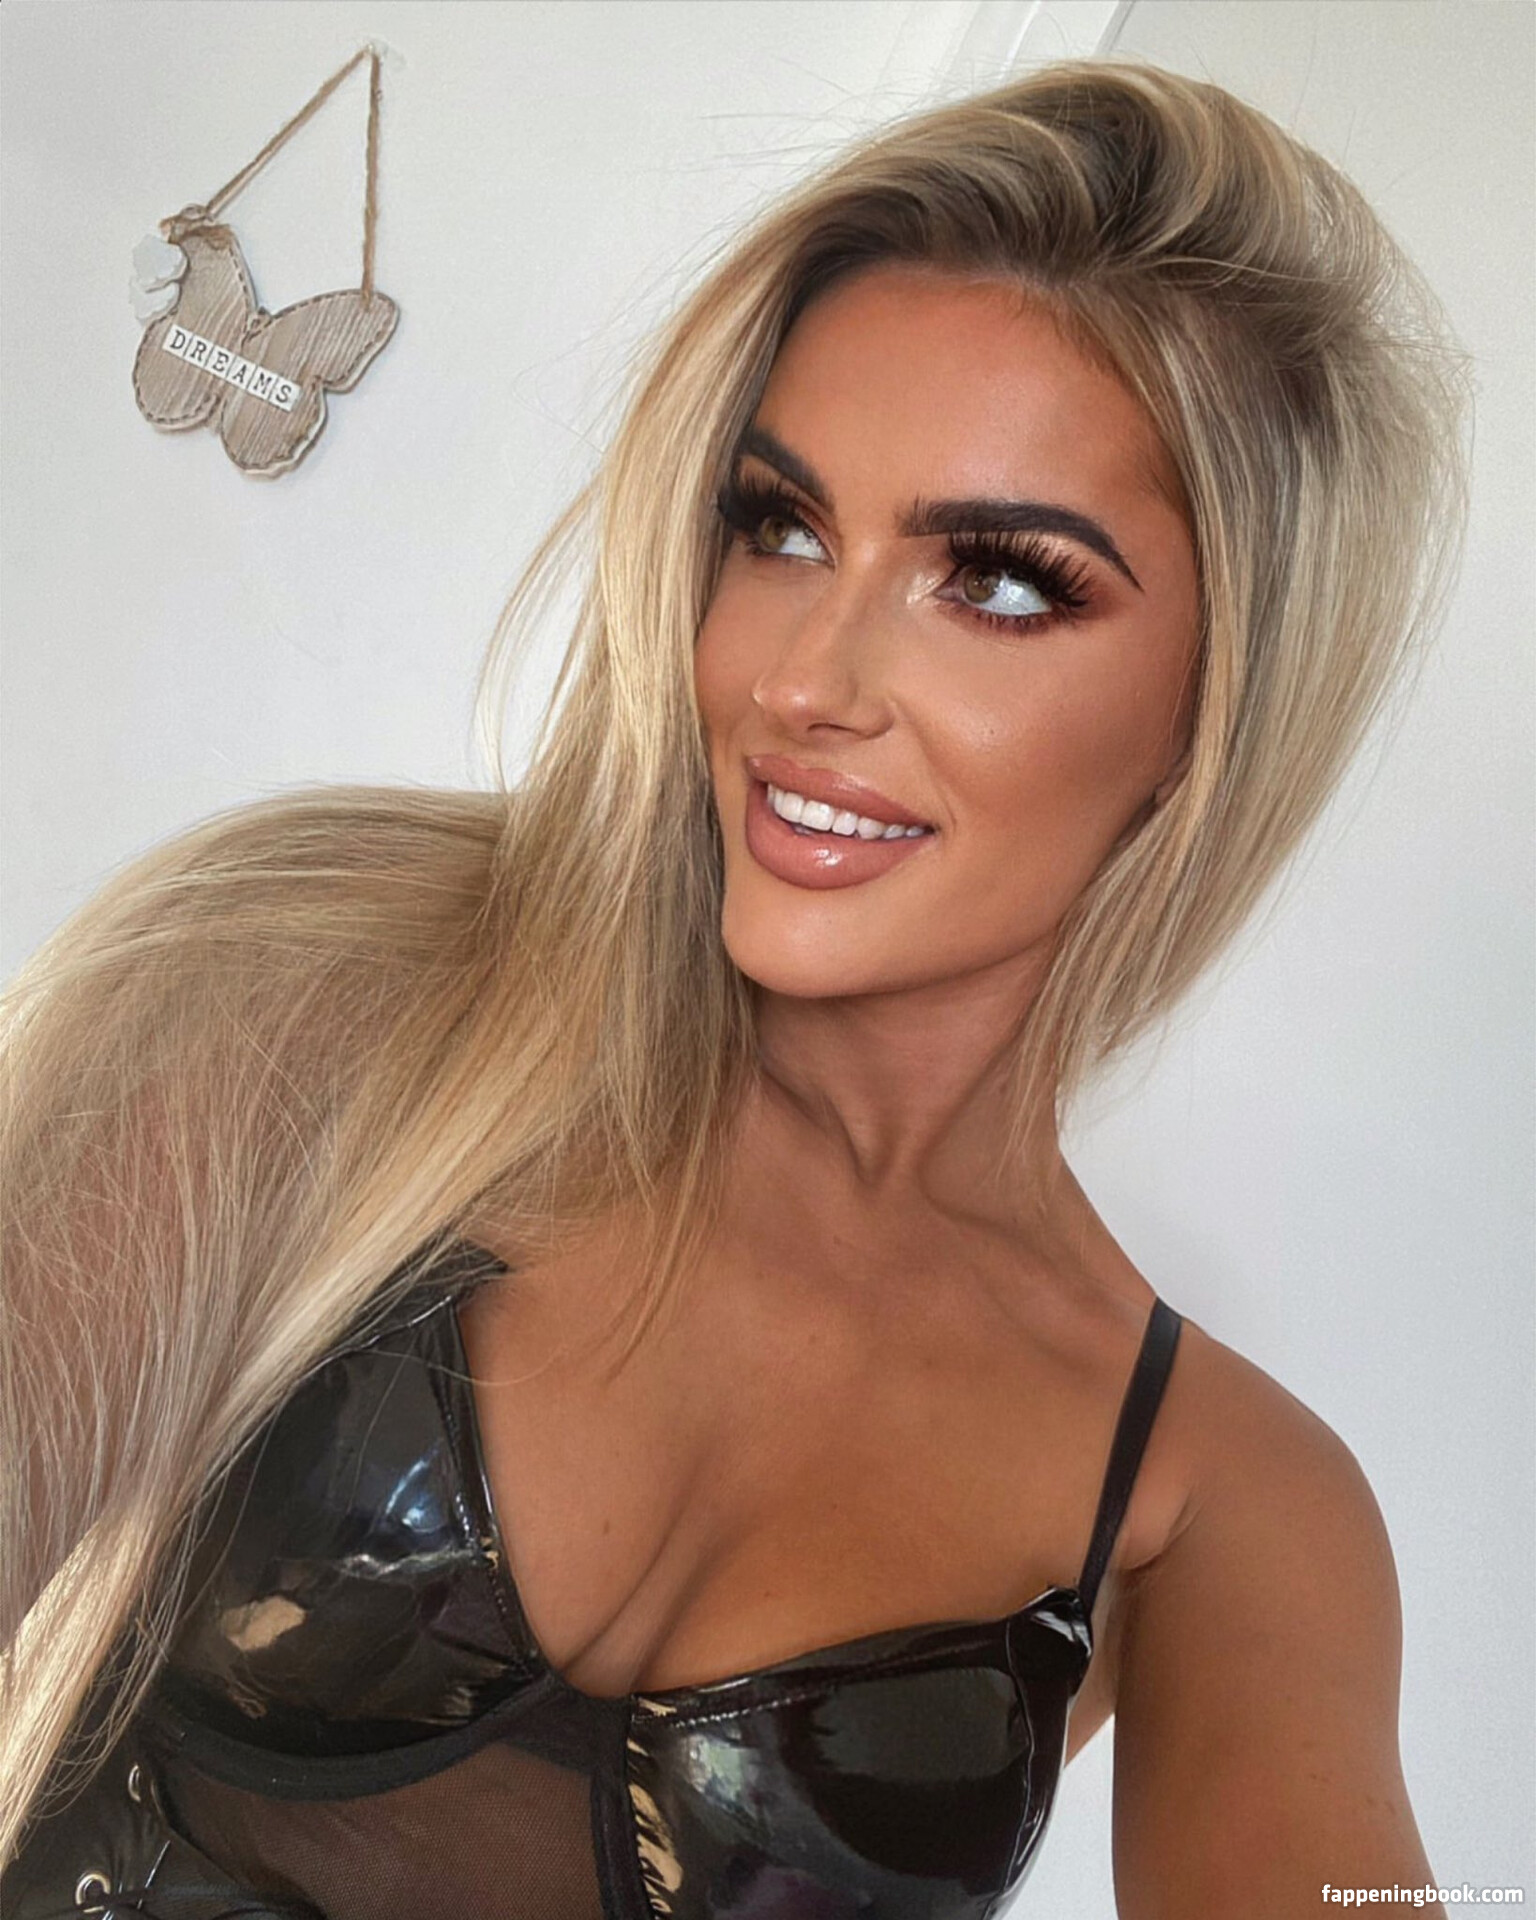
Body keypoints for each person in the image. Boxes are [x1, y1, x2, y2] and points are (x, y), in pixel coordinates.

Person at [0, 56, 1466, 1920]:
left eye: (1003, 582)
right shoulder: (318, 989)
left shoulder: (1213, 1498)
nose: (803, 680)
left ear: (1214, 710)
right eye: (780, 526)